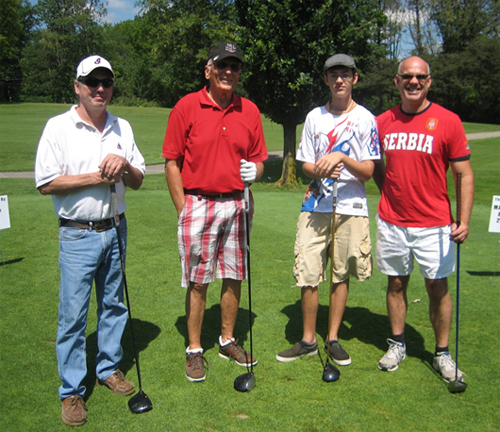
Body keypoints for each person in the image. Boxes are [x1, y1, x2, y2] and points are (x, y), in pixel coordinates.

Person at [35, 55, 145, 426]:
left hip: (115, 228)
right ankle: (72, 391)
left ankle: (108, 367)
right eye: (92, 82)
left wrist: (124, 165)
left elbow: (138, 178)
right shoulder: (58, 127)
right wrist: (97, 176)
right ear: (78, 87)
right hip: (77, 232)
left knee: (113, 305)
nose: (100, 89)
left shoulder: (121, 127)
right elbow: (46, 182)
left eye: (107, 82)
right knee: (73, 316)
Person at [162, 42, 268, 382]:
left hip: (238, 202)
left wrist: (257, 171)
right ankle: (194, 349)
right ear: (208, 69)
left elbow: (259, 160)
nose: (228, 72)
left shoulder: (249, 110)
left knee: (234, 274)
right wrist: (184, 208)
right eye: (222, 66)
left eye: (234, 67)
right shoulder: (186, 106)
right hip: (199, 202)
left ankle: (227, 340)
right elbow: (171, 162)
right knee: (198, 280)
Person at [373, 56, 474, 382]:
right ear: (397, 81)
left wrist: (464, 219)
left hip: (434, 224)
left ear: (429, 81)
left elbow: (464, 173)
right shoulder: (382, 121)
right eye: (407, 77)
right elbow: (375, 165)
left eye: (420, 77)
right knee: (396, 283)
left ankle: (442, 353)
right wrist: (387, 189)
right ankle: (398, 343)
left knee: (437, 287)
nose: (413, 82)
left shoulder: (448, 120)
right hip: (392, 221)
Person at [276, 54, 381, 365]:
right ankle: (309, 340)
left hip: (351, 206)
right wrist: (321, 169)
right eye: (333, 74)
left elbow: (367, 171)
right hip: (315, 203)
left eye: (345, 74)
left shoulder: (366, 118)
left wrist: (341, 158)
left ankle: (332, 337)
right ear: (325, 79)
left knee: (340, 272)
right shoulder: (314, 118)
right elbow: (306, 163)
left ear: (354, 78)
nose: (339, 80)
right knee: (308, 270)